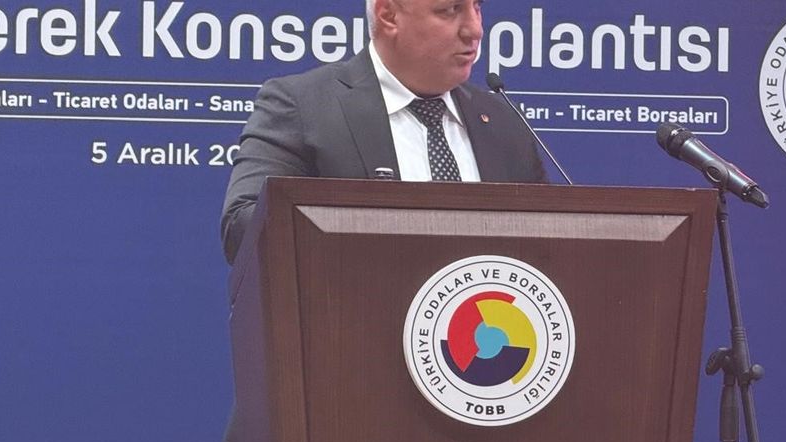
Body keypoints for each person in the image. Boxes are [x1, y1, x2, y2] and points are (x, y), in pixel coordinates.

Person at [219, 0, 547, 264]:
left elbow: (550, 240)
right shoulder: (303, 106)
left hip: (485, 324)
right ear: (388, 14)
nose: (474, 29)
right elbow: (242, 230)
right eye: (450, 10)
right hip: (352, 318)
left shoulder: (502, 120)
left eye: (477, 7)